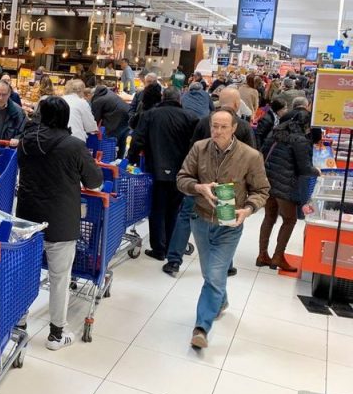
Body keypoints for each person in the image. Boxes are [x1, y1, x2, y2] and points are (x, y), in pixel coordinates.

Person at [177, 108, 270, 349]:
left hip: (229, 223)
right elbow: (182, 178)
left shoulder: (250, 156)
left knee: (215, 274)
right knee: (212, 274)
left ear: (234, 129)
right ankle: (221, 301)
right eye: (214, 126)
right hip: (200, 219)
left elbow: (262, 191)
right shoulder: (199, 148)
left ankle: (201, 328)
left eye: (223, 127)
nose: (217, 131)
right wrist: (199, 188)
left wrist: (248, 209)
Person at [16, 96, 103, 350]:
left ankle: (19, 322)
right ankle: (56, 334)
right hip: (61, 220)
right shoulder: (73, 146)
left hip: (27, 218)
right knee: (59, 278)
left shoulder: (25, 143)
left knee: (23, 275)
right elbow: (94, 182)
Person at [163, 88, 256, 276]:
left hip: (199, 183)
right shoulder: (243, 127)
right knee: (226, 221)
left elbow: (192, 149)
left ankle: (174, 261)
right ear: (237, 104)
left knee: (185, 217)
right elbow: (251, 160)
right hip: (226, 186)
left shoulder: (204, 121)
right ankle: (226, 264)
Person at [129, 87, 199, 260]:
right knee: (174, 210)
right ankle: (171, 246)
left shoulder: (150, 115)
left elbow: (138, 140)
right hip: (181, 172)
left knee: (157, 209)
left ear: (163, 97)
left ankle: (159, 249)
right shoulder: (190, 117)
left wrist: (131, 160)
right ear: (179, 99)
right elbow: (196, 145)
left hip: (155, 169)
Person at [257, 110, 319, 272]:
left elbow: (262, 153)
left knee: (269, 217)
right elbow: (305, 168)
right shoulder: (300, 140)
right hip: (286, 185)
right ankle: (278, 256)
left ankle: (262, 255)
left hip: (268, 181)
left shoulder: (276, 132)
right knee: (289, 220)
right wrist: (317, 171)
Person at [90, 85, 131, 158]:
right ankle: (120, 159)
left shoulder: (97, 100)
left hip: (116, 118)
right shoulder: (108, 92)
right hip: (127, 115)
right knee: (122, 139)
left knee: (110, 139)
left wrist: (91, 130)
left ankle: (110, 159)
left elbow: (95, 119)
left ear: (92, 95)